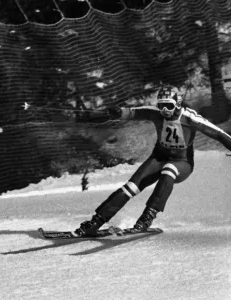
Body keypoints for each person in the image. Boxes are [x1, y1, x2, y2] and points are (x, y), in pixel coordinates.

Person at [75, 85, 231, 236]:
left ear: (177, 105)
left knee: (169, 170)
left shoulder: (190, 117)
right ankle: (95, 222)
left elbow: (219, 134)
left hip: (182, 163)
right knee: (130, 187)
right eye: (161, 105)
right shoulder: (155, 113)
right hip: (158, 158)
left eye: (168, 106)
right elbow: (131, 113)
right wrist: (114, 112)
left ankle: (146, 218)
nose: (164, 110)